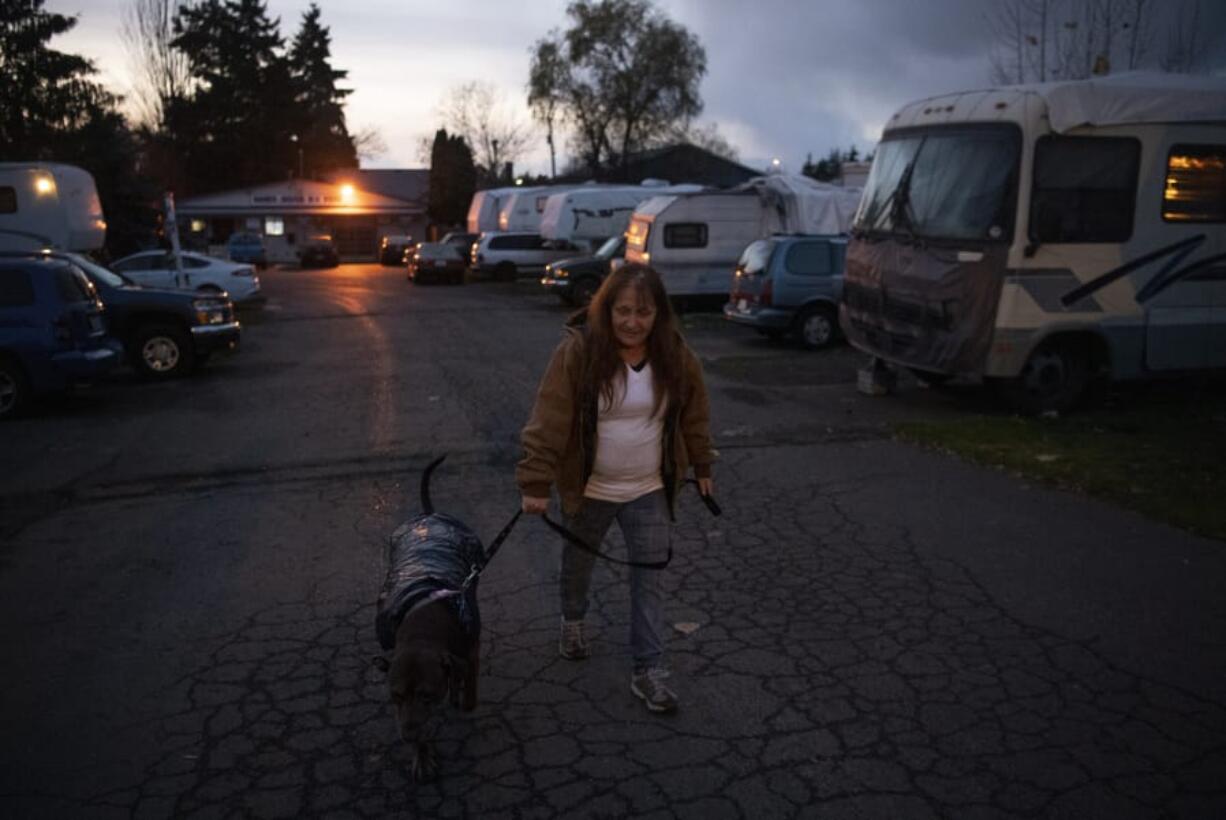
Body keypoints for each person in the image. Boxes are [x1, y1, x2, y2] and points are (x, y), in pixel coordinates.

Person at [517, 263, 715, 714]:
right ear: (605, 310)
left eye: (643, 312)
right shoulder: (580, 353)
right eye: (622, 310)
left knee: (649, 582)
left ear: (658, 315)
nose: (631, 321)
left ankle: (649, 670)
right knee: (578, 567)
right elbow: (550, 418)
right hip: (590, 490)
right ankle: (573, 620)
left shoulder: (675, 354)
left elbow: (694, 415)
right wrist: (535, 481)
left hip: (648, 489)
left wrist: (702, 463)